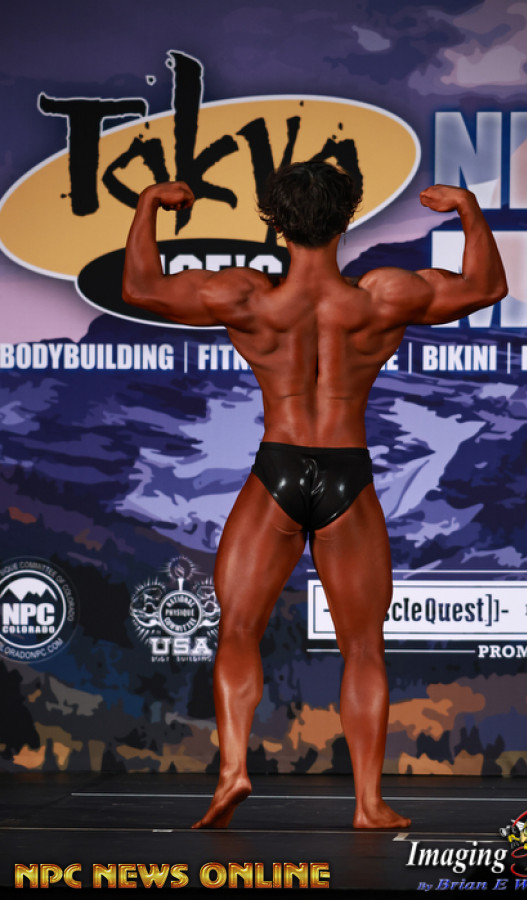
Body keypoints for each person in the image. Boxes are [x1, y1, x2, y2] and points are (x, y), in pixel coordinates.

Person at [122, 162, 507, 829]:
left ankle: (233, 770)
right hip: (346, 474)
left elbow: (140, 287)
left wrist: (151, 204)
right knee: (363, 646)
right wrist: (469, 210)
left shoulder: (246, 297)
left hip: (276, 468)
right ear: (348, 218)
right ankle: (368, 803)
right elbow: (485, 286)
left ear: (274, 222)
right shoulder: (383, 296)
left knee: (238, 630)